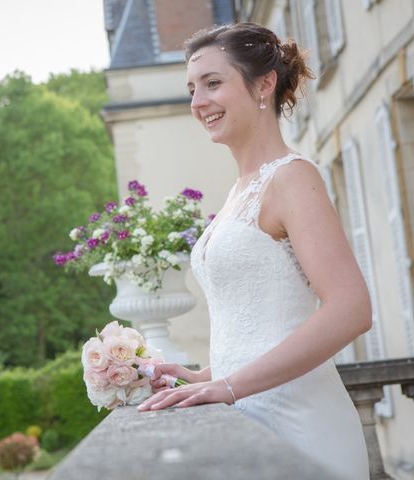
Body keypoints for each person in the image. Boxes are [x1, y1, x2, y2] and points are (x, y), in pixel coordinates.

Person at [136, 22, 370, 480]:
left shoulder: (292, 178)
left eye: (213, 83)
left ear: (264, 83)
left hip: (300, 428)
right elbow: (258, 326)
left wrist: (227, 385)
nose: (197, 102)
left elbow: (351, 308)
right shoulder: (239, 192)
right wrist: (198, 377)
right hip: (247, 422)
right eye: (191, 88)